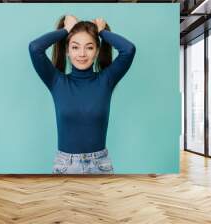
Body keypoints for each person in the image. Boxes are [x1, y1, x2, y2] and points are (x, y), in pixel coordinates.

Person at [28, 15, 136, 174]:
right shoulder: (56, 81)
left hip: (100, 166)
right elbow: (35, 48)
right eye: (75, 47)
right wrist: (65, 30)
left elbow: (129, 49)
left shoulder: (106, 80)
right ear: (67, 50)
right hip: (65, 166)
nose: (82, 53)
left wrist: (102, 32)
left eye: (90, 47)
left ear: (97, 51)